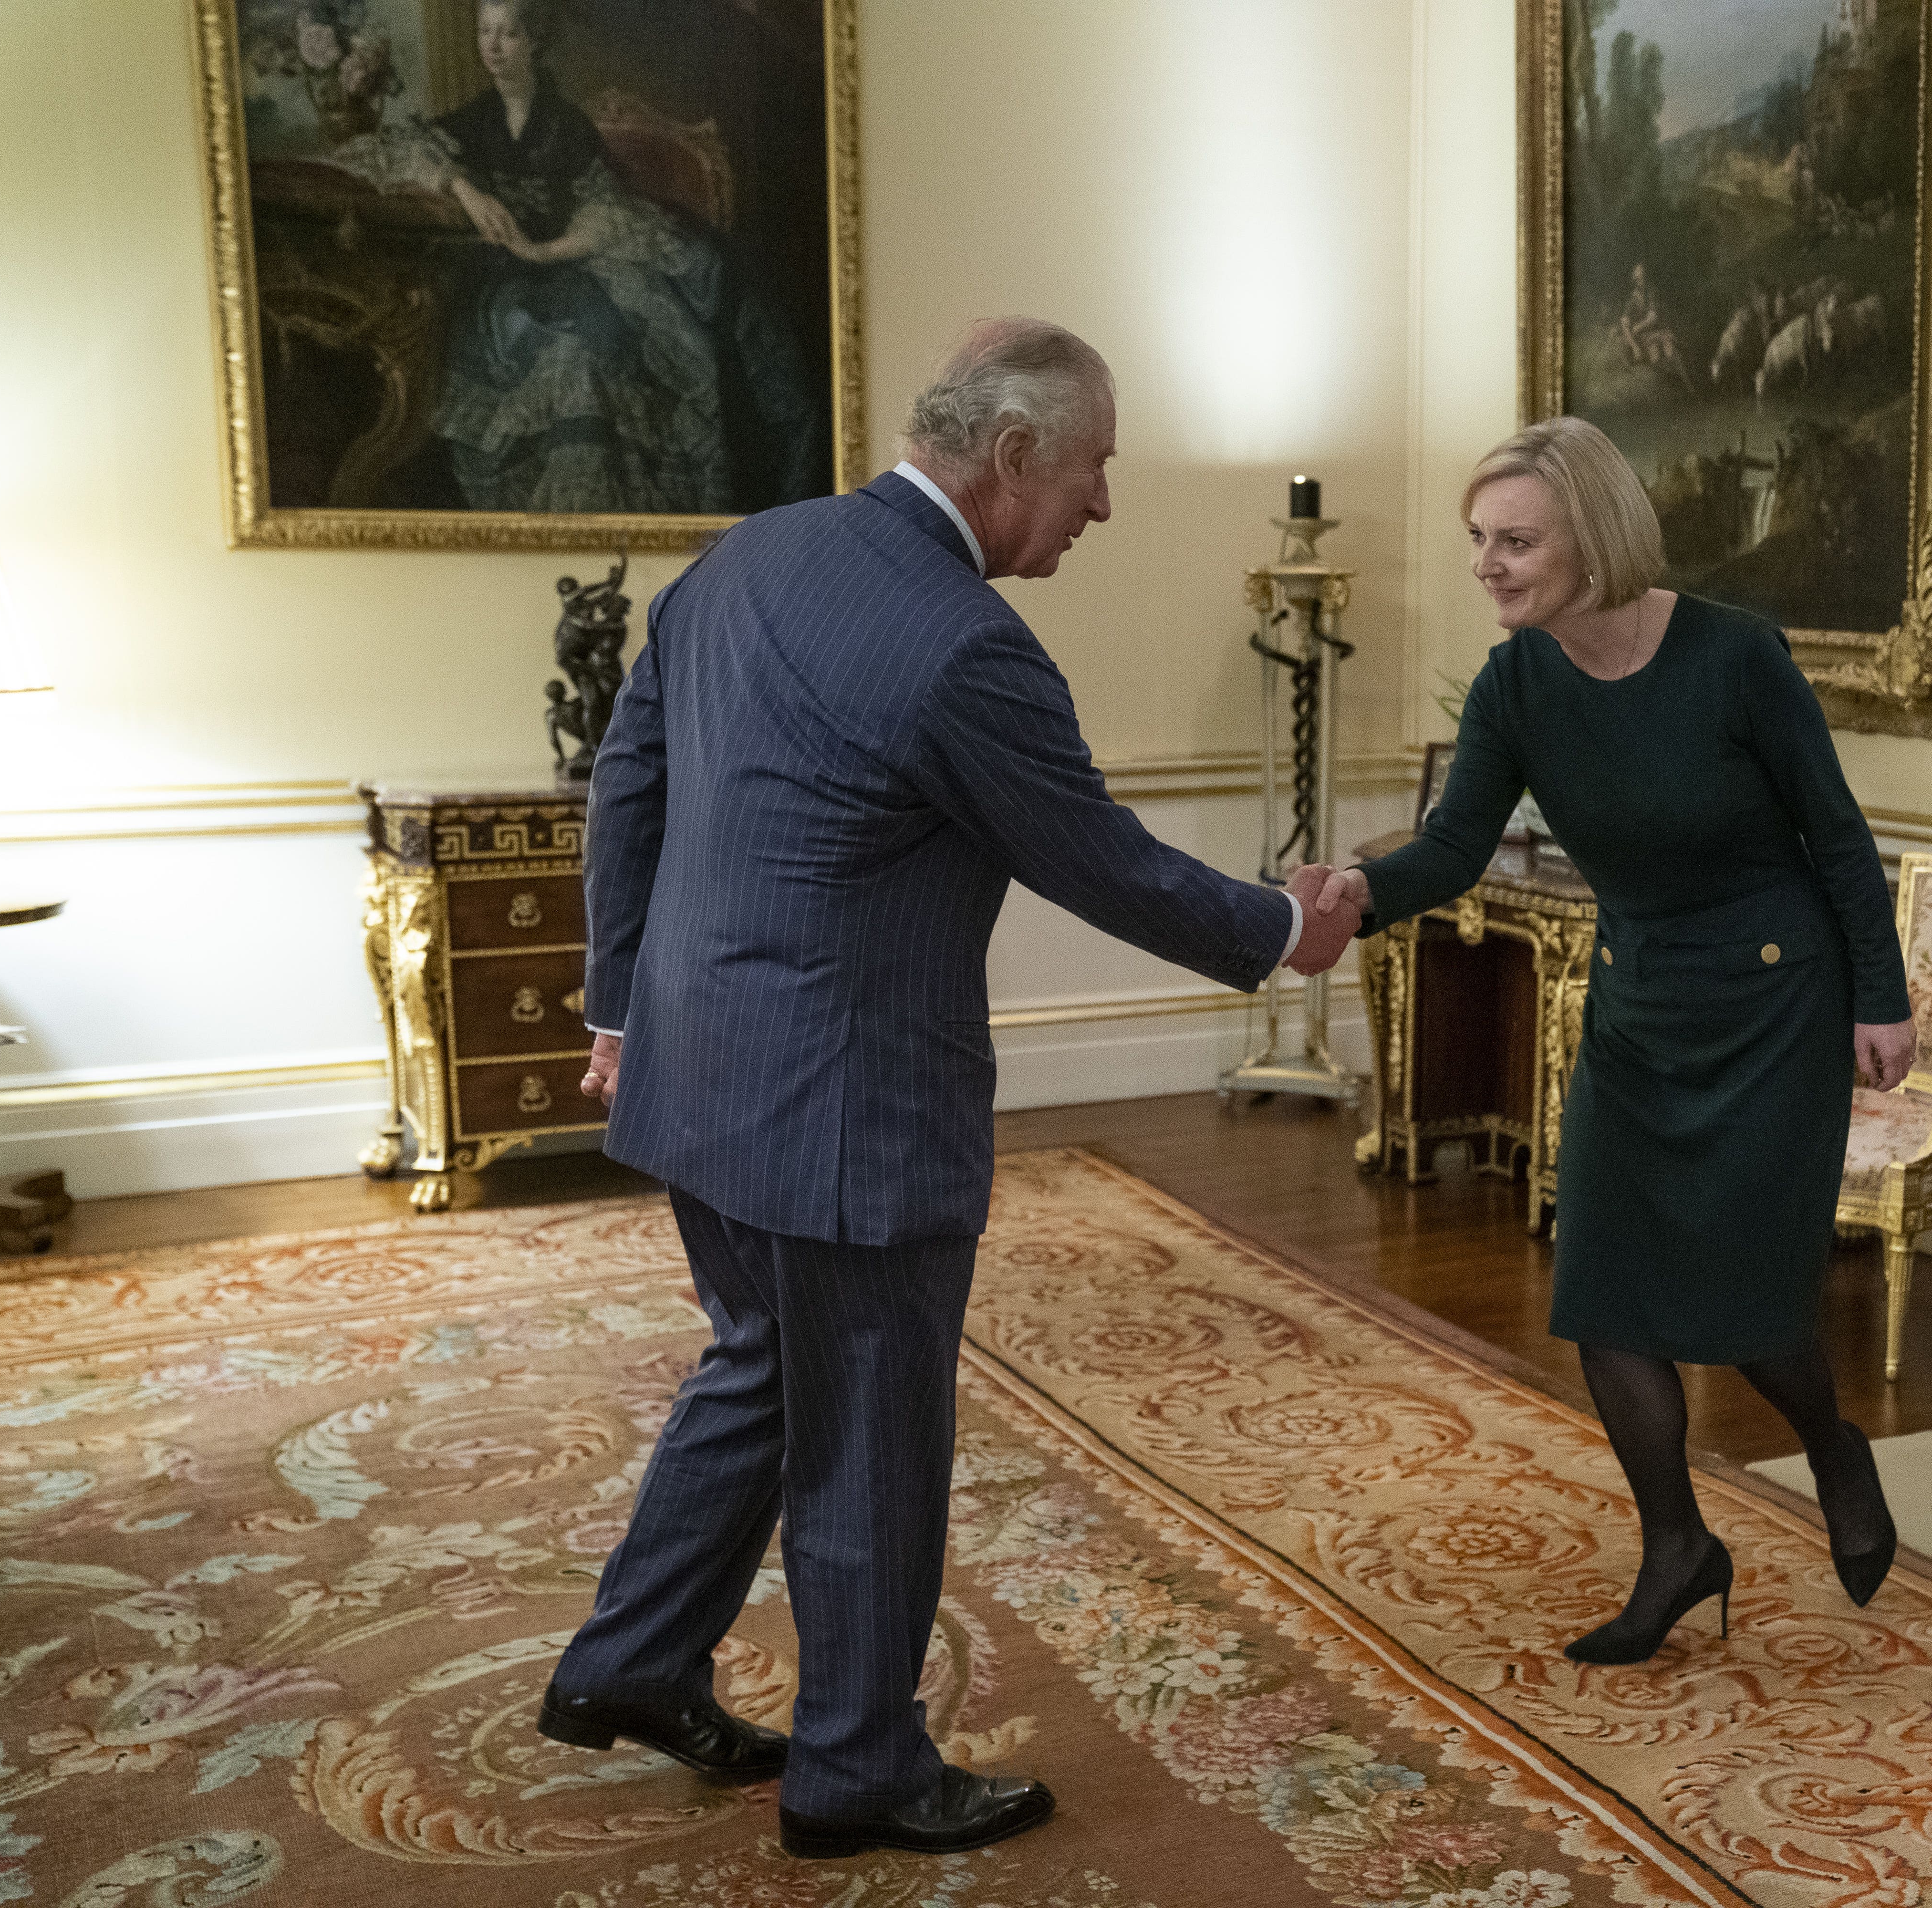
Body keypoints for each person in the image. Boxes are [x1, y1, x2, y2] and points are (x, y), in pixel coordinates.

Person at [541, 318, 1361, 1858]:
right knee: (867, 1435)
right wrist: (1287, 931)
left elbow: (628, 783)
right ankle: (859, 1772)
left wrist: (621, 1009)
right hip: (846, 1116)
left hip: (704, 1081)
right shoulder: (966, 644)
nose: (1105, 506)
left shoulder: (747, 559)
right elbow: (1101, 862)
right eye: (1100, 466)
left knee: (760, 1375)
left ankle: (632, 1664)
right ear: (1016, 456)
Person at [1310, 417, 1916, 1664]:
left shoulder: (1735, 658)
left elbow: (1839, 839)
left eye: (1517, 540)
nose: (1489, 564)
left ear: (1595, 538)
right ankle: (1677, 1547)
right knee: (1606, 1294)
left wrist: (1883, 996)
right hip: (1641, 1005)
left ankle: (1833, 1448)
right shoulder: (1515, 685)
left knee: (1748, 1306)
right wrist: (1355, 892)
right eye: (1479, 539)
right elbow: (1452, 850)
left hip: (1775, 1003)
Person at [427, 0, 824, 512]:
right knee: (549, 350)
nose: (494, 47)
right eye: (486, 33)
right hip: (499, 287)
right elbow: (409, 150)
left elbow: (604, 209)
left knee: (616, 340)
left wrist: (544, 250)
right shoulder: (467, 123)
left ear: (534, 43)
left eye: (508, 34)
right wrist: (463, 188)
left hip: (571, 267)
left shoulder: (567, 125)